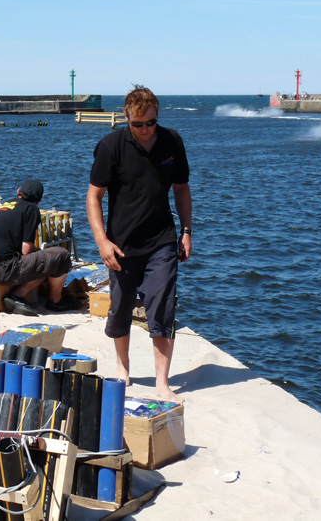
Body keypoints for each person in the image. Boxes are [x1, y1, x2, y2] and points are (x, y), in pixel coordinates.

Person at [86, 85, 192, 403]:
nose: (146, 129)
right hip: (121, 245)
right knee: (120, 309)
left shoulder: (172, 141)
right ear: (126, 118)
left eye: (151, 123)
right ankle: (122, 367)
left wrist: (186, 231)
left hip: (162, 240)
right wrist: (102, 242)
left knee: (162, 306)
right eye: (138, 124)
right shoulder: (110, 146)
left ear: (158, 116)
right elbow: (94, 197)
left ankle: (162, 382)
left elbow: (182, 188)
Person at [0, 179, 76, 315]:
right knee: (61, 255)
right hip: (4, 270)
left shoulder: (6, 206)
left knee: (43, 260)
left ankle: (18, 296)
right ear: (38, 201)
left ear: (19, 192)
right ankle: (54, 300)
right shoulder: (31, 209)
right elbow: (26, 250)